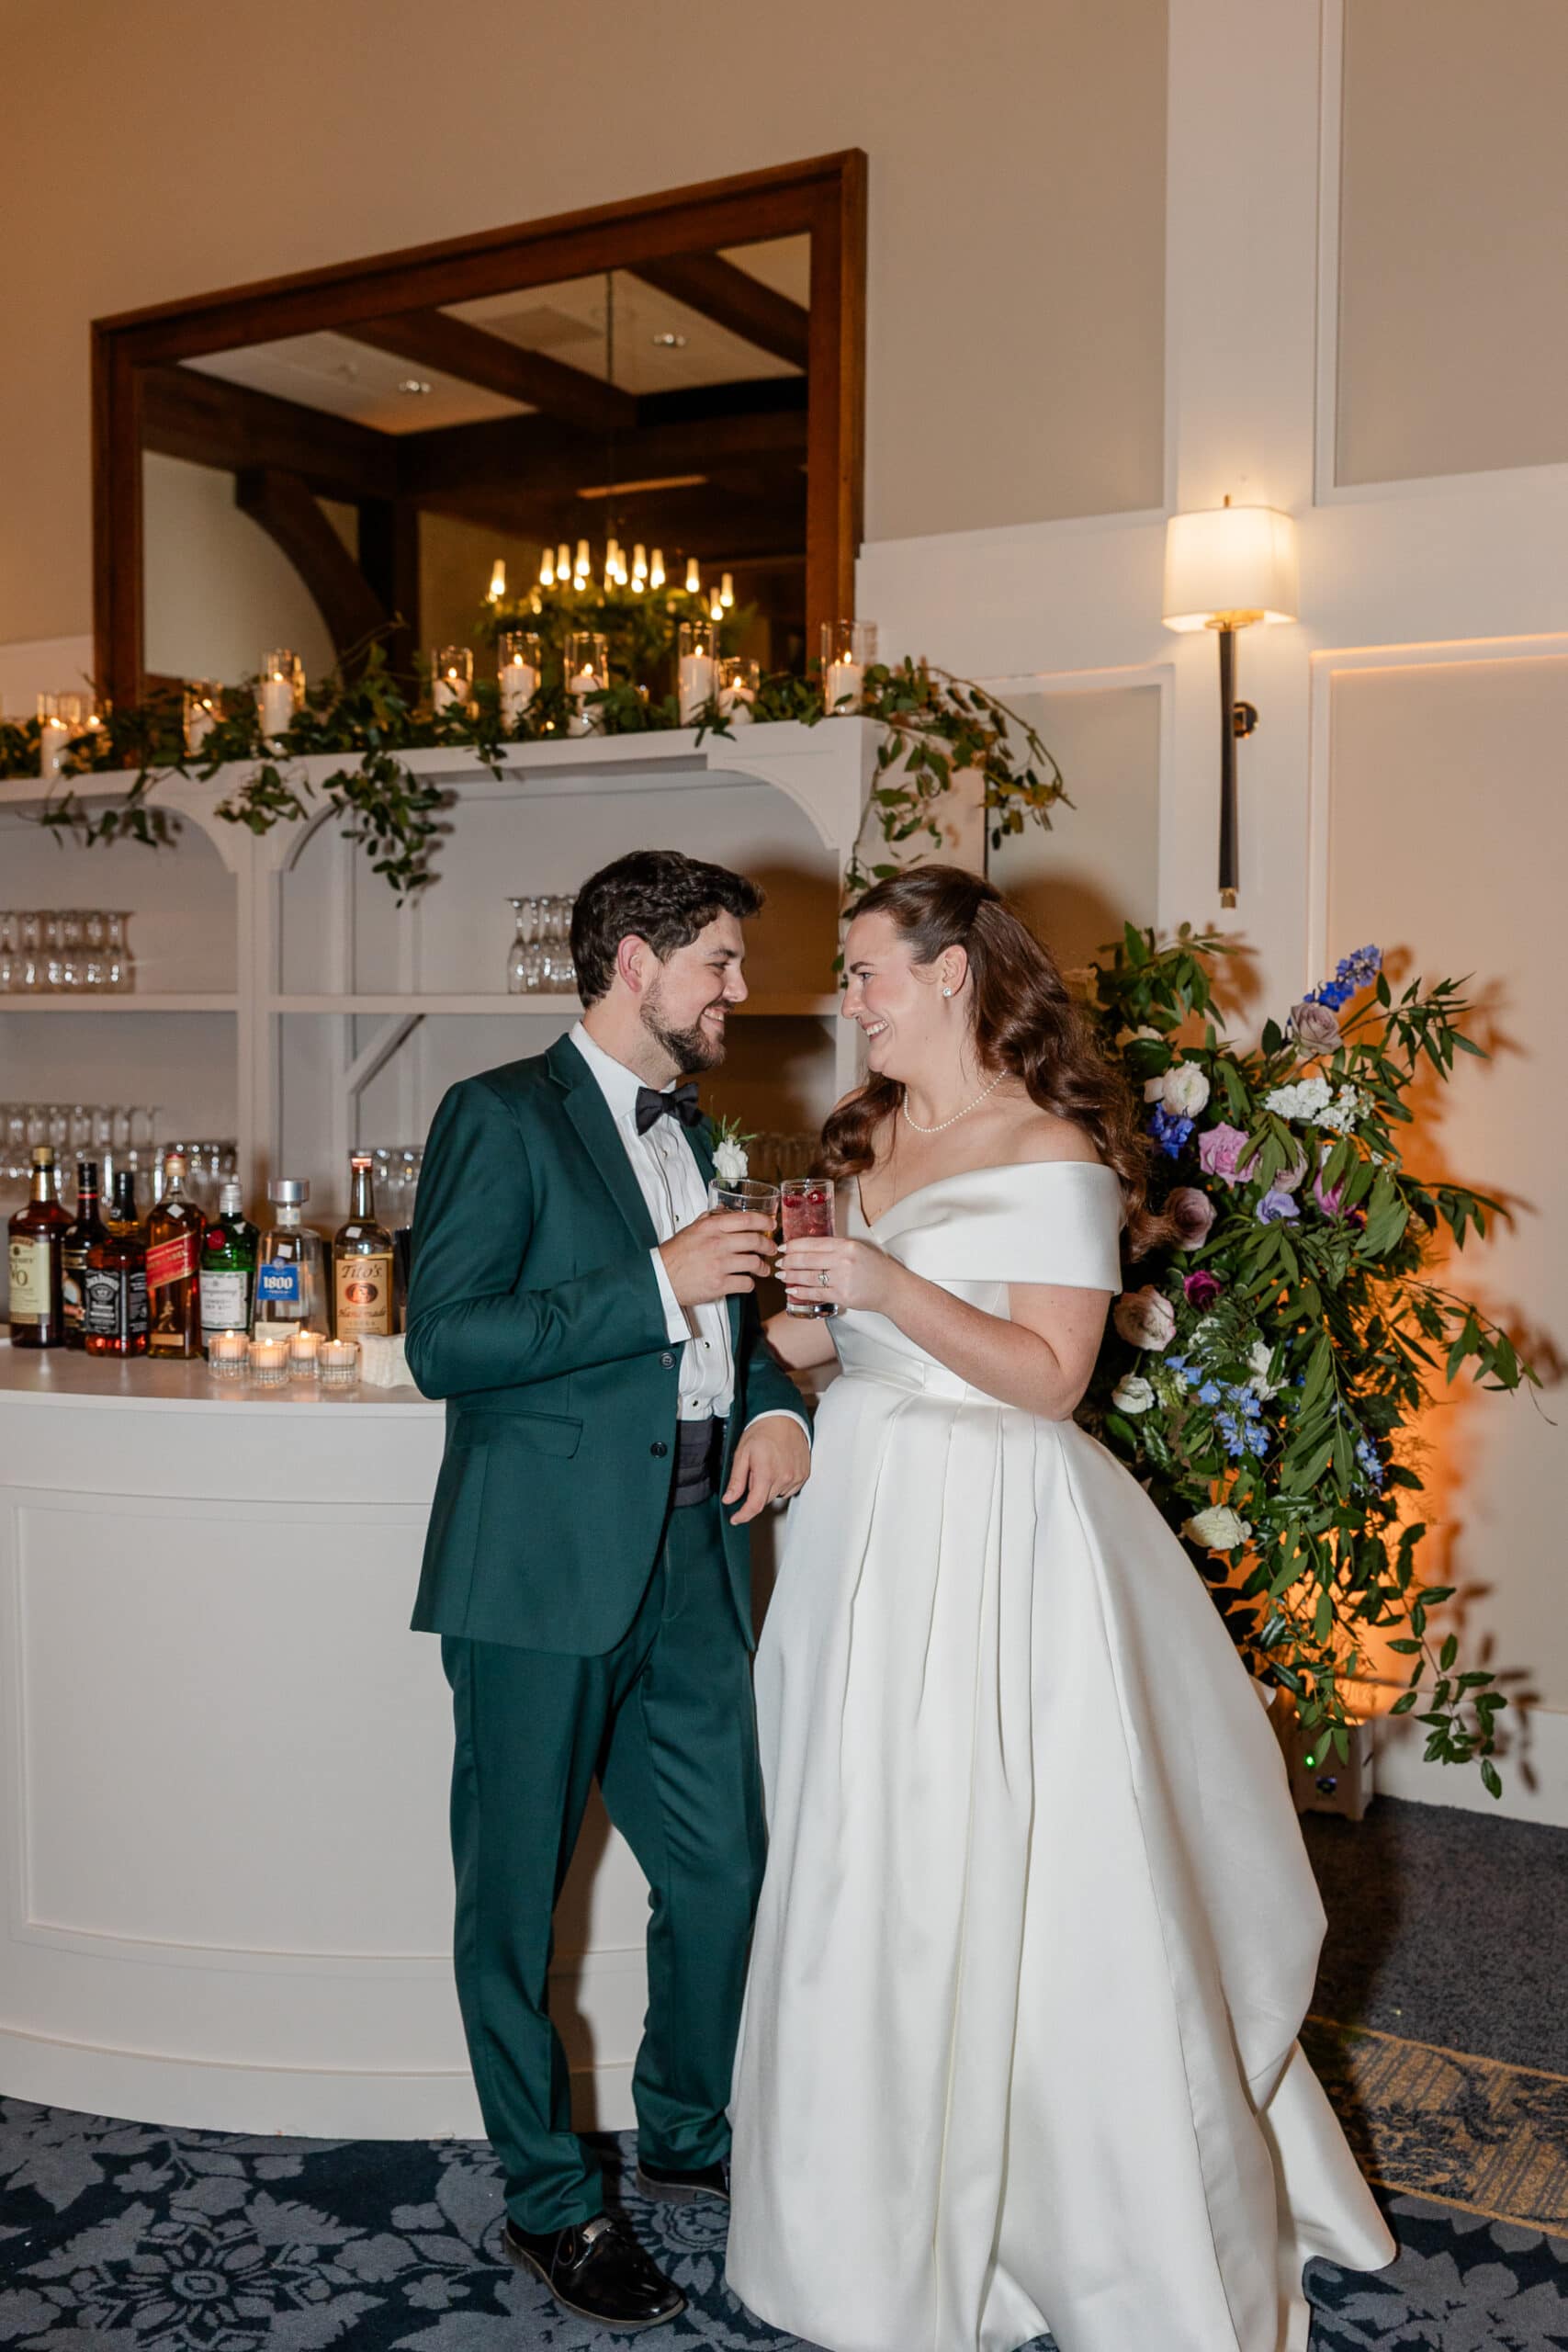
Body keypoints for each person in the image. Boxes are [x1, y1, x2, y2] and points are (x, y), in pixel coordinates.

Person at [726, 865, 1394, 2352]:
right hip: (861, 1529)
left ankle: (1058, 2217)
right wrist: (779, 1338)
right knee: (863, 1856)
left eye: (869, 968)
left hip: (993, 1534)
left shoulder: (1057, 1159)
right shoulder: (872, 1139)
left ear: (954, 973)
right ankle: (856, 2219)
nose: (852, 995)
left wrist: (889, 1290)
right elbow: (832, 1356)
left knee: (998, 1853)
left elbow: (1049, 1381)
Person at [406, 849, 811, 2332]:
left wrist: (778, 1404)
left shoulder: (698, 1128)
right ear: (635, 963)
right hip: (532, 1572)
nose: (740, 993)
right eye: (720, 963)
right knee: (510, 1906)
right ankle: (551, 2204)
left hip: (698, 1557)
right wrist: (658, 1279)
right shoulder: (494, 1116)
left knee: (722, 1875)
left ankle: (692, 2135)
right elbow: (445, 1341)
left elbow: (737, 1317)